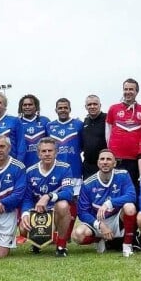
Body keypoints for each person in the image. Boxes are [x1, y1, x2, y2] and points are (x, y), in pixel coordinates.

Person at [72, 149, 138, 257]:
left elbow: (132, 196)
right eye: (102, 159)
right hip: (98, 221)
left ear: (114, 163)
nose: (105, 162)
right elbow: (82, 212)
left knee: (129, 207)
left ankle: (127, 244)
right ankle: (99, 239)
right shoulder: (88, 184)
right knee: (77, 235)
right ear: (98, 163)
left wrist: (109, 203)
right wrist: (99, 224)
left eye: (108, 159)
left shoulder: (123, 175)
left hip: (116, 218)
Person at [20, 138, 73, 257]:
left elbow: (69, 193)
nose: (47, 153)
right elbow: (27, 198)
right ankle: (36, 242)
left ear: (56, 152)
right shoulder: (30, 171)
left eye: (50, 150)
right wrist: (25, 214)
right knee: (23, 228)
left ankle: (61, 246)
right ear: (38, 154)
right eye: (44, 151)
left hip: (55, 213)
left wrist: (48, 196)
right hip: (38, 214)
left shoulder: (65, 168)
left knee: (63, 205)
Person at [47, 98, 84, 241]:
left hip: (74, 169)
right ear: (56, 110)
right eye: (60, 107)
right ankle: (51, 234)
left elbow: (82, 145)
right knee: (55, 201)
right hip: (54, 172)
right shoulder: (49, 126)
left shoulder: (78, 125)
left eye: (65, 107)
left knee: (73, 200)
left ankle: (66, 235)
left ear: (70, 109)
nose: (63, 110)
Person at [106, 78, 141, 189]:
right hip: (116, 158)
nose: (128, 92)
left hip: (135, 159)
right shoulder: (113, 109)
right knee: (115, 189)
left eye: (131, 89)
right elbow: (108, 132)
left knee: (133, 190)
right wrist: (111, 152)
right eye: (126, 89)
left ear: (136, 92)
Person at [0, 92, 26, 163]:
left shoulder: (14, 120)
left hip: (9, 164)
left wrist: (19, 162)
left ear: (5, 105)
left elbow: (21, 144)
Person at [18, 94, 49, 168]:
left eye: (30, 104)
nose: (27, 107)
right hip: (22, 165)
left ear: (36, 106)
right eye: (24, 105)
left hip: (42, 166)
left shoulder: (45, 121)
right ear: (21, 107)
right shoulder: (16, 122)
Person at [81, 94, 107, 179]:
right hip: (88, 166)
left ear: (100, 105)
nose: (92, 106)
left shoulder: (107, 119)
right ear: (85, 107)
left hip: (104, 164)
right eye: (89, 104)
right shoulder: (85, 121)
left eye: (95, 104)